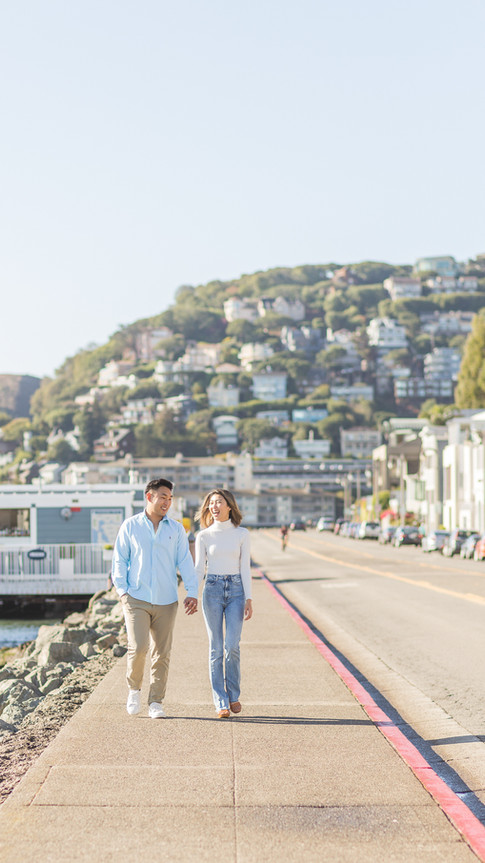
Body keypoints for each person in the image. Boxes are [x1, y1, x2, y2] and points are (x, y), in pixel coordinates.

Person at [112, 477, 198, 719]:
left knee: (162, 652)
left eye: (170, 498)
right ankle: (134, 690)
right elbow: (120, 559)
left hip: (166, 599)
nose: (167, 502)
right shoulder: (130, 526)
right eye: (163, 497)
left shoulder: (176, 529)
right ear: (149, 497)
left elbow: (185, 561)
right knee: (138, 647)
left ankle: (156, 702)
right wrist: (122, 591)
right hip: (136, 597)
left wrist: (192, 591)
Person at [195, 489, 252, 718]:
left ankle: (233, 695)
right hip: (212, 590)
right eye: (211, 503)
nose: (214, 506)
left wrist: (249, 598)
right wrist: (191, 593)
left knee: (232, 646)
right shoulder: (204, 536)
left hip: (237, 591)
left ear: (229, 505)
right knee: (216, 648)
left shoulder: (242, 534)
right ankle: (221, 702)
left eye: (219, 502)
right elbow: (199, 568)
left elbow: (245, 567)